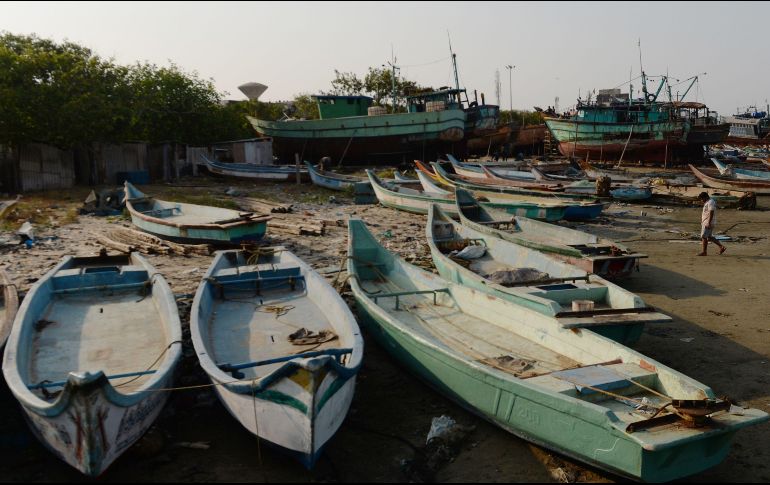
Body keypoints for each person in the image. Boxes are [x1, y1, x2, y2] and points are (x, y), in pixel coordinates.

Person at [697, 192, 726, 256]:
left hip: (708, 222)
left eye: (701, 199)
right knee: (709, 237)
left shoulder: (710, 202)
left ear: (705, 197)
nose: (701, 200)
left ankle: (704, 252)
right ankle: (721, 247)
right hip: (706, 222)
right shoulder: (708, 202)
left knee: (704, 236)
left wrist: (708, 222)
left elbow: (711, 212)